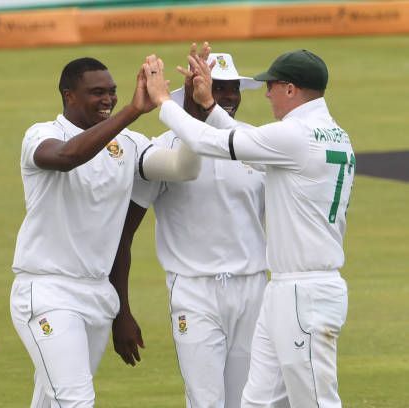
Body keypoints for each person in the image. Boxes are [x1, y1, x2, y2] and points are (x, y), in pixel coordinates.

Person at [144, 46, 355, 407]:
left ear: (290, 89)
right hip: (286, 290)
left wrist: (164, 102)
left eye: (271, 86)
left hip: (304, 292)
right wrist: (209, 106)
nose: (267, 94)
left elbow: (208, 142)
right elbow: (244, 142)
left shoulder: (294, 135)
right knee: (256, 401)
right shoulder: (330, 134)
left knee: (316, 401)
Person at [10, 57, 201, 408]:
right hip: (47, 290)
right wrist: (130, 111)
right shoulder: (42, 134)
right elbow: (67, 157)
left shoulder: (128, 143)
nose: (107, 99)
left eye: (112, 92)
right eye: (96, 93)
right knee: (75, 400)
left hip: (98, 294)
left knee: (53, 399)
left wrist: (194, 109)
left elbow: (183, 167)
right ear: (69, 96)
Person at [111, 46, 267, 408]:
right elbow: (124, 235)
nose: (226, 96)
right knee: (205, 401)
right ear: (191, 88)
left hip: (253, 288)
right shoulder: (163, 150)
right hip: (195, 292)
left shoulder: (251, 142)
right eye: (215, 85)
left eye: (231, 88)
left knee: (249, 401)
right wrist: (122, 311)